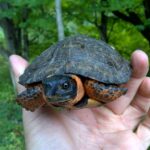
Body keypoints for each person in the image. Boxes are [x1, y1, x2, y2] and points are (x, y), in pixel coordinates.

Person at [9, 50, 150, 150]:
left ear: (76, 82)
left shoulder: (91, 85)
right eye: (47, 87)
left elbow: (107, 85)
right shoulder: (43, 91)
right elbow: (33, 94)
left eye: (65, 86)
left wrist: (109, 92)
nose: (53, 92)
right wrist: (30, 100)